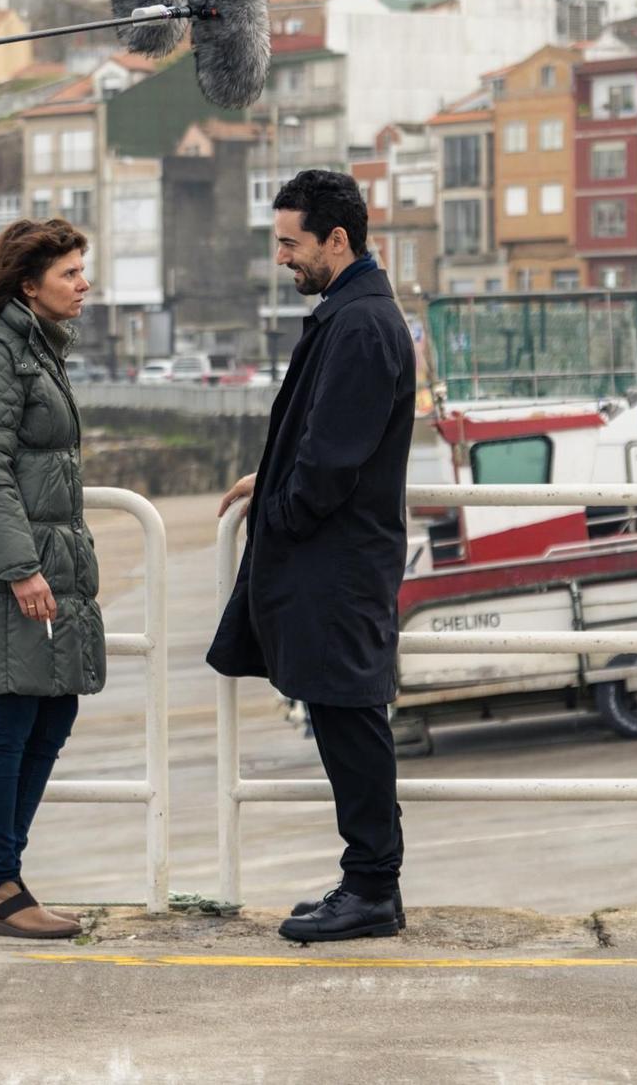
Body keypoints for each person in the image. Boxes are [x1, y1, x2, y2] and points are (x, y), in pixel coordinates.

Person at [209, 169, 417, 943]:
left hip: (338, 563)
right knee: (342, 716)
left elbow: (331, 462)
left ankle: (371, 887)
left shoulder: (361, 325)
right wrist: (276, 482)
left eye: (292, 244)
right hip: (338, 559)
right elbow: (330, 440)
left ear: (339, 238)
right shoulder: (352, 313)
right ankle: (366, 878)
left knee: (351, 718)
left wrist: (283, 509)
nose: (284, 259)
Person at [0, 218, 103, 940]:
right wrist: (22, 569)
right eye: (70, 272)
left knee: (52, 710)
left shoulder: (35, 344)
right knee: (8, 720)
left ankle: (0, 877)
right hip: (19, 570)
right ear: (28, 283)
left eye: (81, 269)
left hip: (47, 563)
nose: (83, 283)